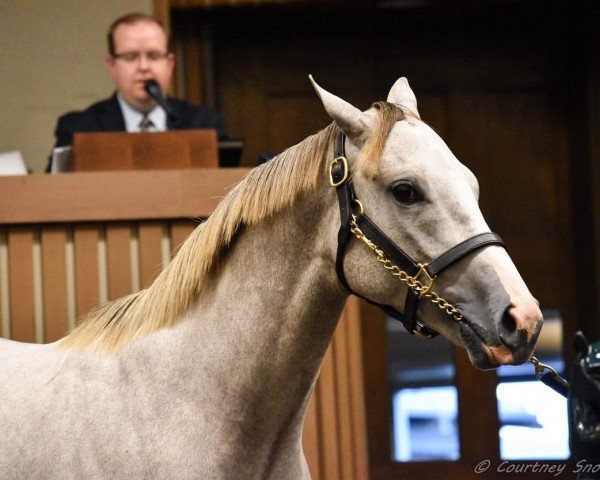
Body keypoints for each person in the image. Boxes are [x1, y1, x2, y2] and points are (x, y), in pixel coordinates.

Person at [47, 12, 228, 171]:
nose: (143, 67)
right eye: (130, 57)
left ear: (170, 63)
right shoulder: (79, 129)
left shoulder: (204, 124)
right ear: (112, 65)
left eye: (154, 56)